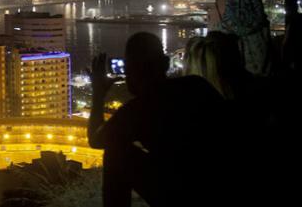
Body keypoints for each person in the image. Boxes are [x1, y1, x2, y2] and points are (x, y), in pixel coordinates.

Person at [88, 32, 233, 207]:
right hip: (223, 186)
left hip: (183, 194)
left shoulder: (138, 109)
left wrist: (98, 94)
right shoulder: (197, 85)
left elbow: (96, 140)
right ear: (165, 64)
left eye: (129, 67)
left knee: (115, 152)